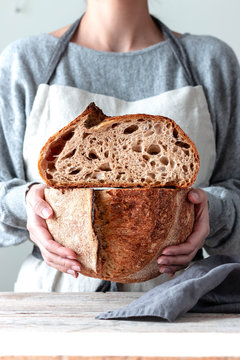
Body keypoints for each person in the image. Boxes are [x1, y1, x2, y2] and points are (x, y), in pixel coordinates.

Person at [0, 0, 240, 292]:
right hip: (53, 300)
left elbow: (234, 187)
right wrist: (26, 204)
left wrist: (209, 211)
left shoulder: (211, 61)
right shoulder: (25, 61)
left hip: (178, 296)